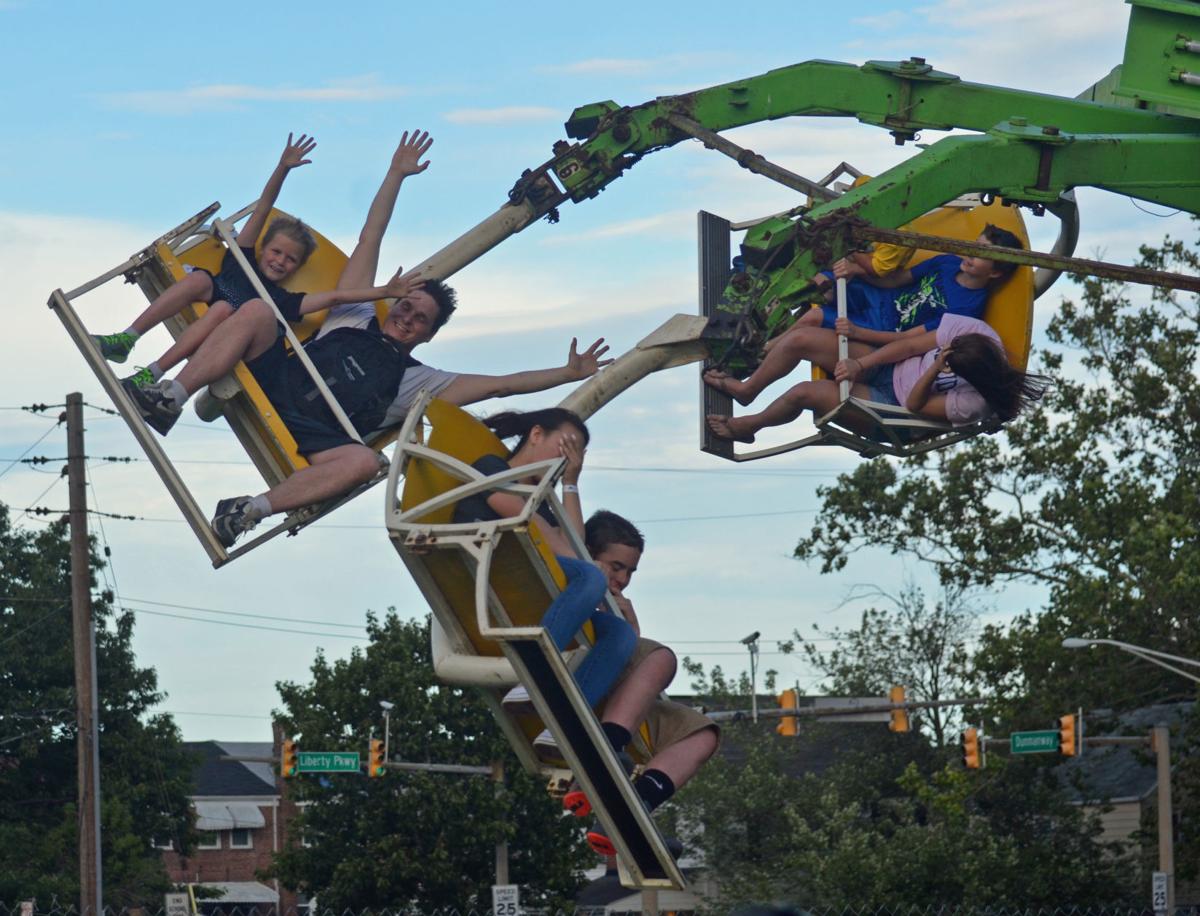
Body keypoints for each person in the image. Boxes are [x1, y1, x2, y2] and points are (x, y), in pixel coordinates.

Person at [452, 409, 638, 761]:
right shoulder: (493, 468)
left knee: (620, 634)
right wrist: (585, 564)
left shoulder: (544, 502)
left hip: (537, 590)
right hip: (496, 572)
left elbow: (572, 545)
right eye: (564, 447)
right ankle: (536, 672)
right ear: (536, 434)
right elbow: (537, 532)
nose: (566, 458)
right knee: (591, 576)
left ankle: (565, 724)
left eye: (575, 456)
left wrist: (570, 482)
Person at [704, 224, 1024, 408]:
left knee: (813, 320)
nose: (970, 255)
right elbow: (898, 280)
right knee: (820, 279)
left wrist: (858, 332)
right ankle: (759, 325)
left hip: (882, 329)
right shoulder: (948, 262)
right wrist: (858, 271)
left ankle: (756, 358)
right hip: (880, 299)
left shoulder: (966, 310)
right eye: (975, 247)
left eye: (982, 256)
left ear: (995, 274)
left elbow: (908, 341)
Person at [93, 133, 321, 382]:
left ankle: (152, 374)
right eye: (277, 252)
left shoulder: (278, 300)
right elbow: (264, 206)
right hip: (210, 301)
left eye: (290, 259)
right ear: (263, 248)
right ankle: (127, 338)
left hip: (229, 331)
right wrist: (282, 169)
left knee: (222, 309)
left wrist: (372, 292)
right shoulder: (241, 259)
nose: (280, 261)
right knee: (200, 279)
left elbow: (338, 297)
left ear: (297, 267)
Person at [570, 510, 720, 860]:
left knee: (703, 734)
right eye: (615, 566)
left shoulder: (618, 605)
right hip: (585, 690)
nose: (622, 579)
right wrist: (570, 481)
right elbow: (572, 541)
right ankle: (604, 753)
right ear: (589, 555)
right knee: (662, 657)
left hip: (622, 708)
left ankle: (632, 811)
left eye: (630, 571)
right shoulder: (579, 585)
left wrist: (631, 627)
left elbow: (627, 661)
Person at [707, 313, 1050, 444]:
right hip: (890, 367)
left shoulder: (975, 403)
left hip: (894, 408)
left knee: (805, 393)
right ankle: (747, 390)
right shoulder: (977, 332)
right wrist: (861, 364)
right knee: (801, 340)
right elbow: (911, 345)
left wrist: (933, 368)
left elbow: (916, 405)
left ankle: (750, 425)